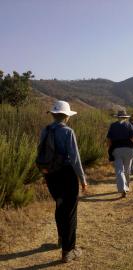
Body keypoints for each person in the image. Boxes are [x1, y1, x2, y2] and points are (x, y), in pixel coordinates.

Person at [38, 100, 87, 263]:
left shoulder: (45, 130)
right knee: (70, 211)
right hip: (67, 174)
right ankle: (68, 251)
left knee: (60, 205)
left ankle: (61, 238)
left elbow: (40, 152)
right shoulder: (68, 132)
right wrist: (82, 179)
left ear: (53, 114)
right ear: (66, 116)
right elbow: (75, 159)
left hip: (50, 174)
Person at [107, 110, 133, 197]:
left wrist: (109, 150)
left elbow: (109, 140)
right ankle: (126, 186)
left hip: (117, 150)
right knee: (127, 170)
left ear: (118, 117)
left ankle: (123, 189)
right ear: (125, 117)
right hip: (129, 150)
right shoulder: (129, 125)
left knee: (119, 170)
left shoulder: (113, 126)